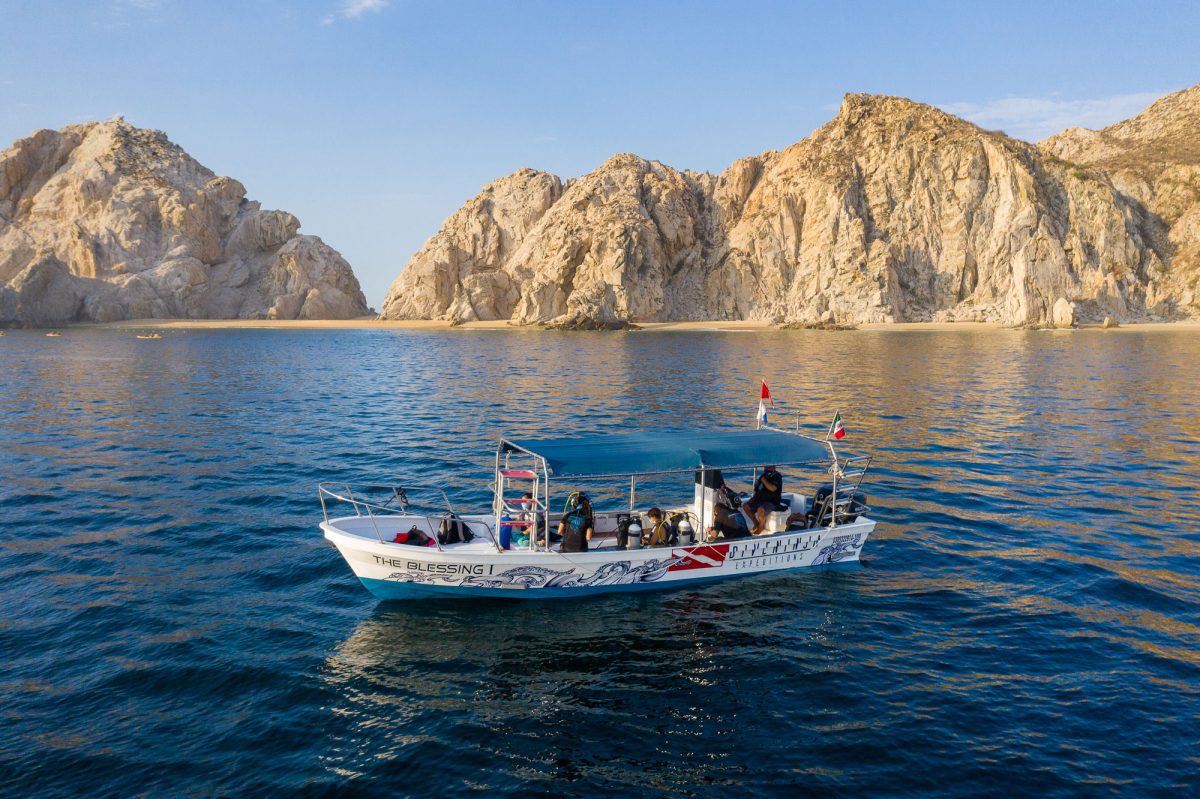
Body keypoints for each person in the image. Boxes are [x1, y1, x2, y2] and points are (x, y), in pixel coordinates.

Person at [744, 465, 783, 534]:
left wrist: (764, 480)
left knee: (760, 509)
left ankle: (761, 527)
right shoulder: (763, 475)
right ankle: (756, 523)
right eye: (765, 467)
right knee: (746, 506)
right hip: (760, 499)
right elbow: (756, 488)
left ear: (774, 467)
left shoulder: (777, 477)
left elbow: (773, 488)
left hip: (772, 501)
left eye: (769, 467)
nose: (767, 469)